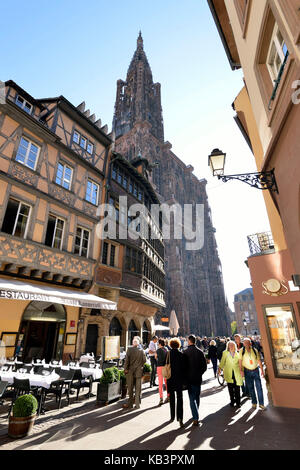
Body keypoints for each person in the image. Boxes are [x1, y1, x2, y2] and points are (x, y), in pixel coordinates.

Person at [183, 334, 207, 426]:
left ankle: (195, 417)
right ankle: (196, 413)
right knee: (197, 396)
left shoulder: (185, 352)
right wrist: (199, 373)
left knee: (192, 398)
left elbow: (183, 367)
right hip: (198, 378)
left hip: (189, 379)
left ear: (189, 341)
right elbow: (204, 367)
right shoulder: (200, 352)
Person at [239, 337, 266, 410]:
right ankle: (254, 403)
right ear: (243, 344)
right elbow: (240, 361)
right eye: (245, 343)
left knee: (259, 388)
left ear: (250, 343)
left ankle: (261, 404)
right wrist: (241, 370)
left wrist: (262, 371)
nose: (247, 344)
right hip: (247, 371)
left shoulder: (254, 350)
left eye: (248, 342)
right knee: (251, 388)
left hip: (255, 370)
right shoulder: (241, 351)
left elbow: (259, 360)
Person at [167, 338, 186, 428]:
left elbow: (164, 364)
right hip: (179, 379)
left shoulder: (168, 354)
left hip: (170, 379)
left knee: (172, 397)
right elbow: (184, 368)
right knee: (179, 398)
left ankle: (172, 416)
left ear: (170, 345)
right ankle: (180, 418)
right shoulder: (181, 354)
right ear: (178, 345)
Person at [122, 338, 146, 410]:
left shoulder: (129, 349)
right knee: (138, 389)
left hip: (130, 371)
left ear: (133, 344)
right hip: (139, 371)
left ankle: (130, 404)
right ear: (138, 344)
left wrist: (125, 369)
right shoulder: (142, 351)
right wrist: (140, 365)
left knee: (130, 388)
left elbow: (126, 361)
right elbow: (144, 360)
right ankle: (137, 405)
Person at [218, 340, 243, 408]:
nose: (231, 346)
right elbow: (222, 361)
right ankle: (232, 401)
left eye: (232, 345)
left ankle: (238, 402)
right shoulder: (225, 353)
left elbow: (240, 363)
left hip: (236, 373)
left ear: (234, 346)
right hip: (228, 373)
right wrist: (219, 369)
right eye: (230, 345)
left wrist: (242, 371)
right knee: (230, 388)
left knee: (237, 388)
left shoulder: (238, 353)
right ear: (228, 346)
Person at [155, 339, 169, 406]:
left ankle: (161, 398)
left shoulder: (157, 350)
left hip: (159, 367)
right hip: (165, 367)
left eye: (158, 343)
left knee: (160, 384)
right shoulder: (166, 349)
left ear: (160, 344)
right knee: (166, 382)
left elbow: (156, 357)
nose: (158, 345)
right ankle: (168, 396)